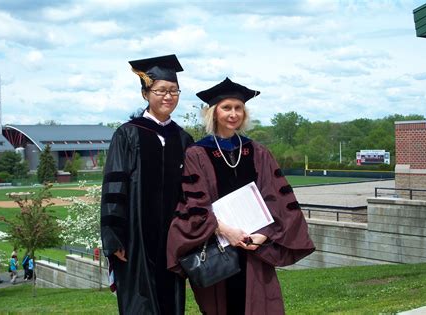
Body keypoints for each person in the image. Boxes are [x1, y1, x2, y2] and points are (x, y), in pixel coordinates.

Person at [167, 77, 315, 315]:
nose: (233, 113)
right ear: (214, 113)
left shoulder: (257, 152)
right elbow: (195, 204)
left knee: (258, 305)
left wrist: (264, 235)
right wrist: (225, 230)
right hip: (218, 247)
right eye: (226, 108)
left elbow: (276, 198)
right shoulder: (197, 153)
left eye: (238, 108)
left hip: (253, 248)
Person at [100, 54, 194, 315]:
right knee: (139, 304)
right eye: (161, 90)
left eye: (174, 91)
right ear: (145, 94)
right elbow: (113, 188)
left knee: (171, 302)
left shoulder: (184, 139)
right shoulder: (128, 134)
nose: (168, 96)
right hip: (135, 237)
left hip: (172, 239)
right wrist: (114, 237)